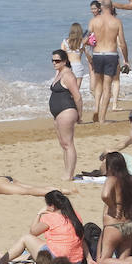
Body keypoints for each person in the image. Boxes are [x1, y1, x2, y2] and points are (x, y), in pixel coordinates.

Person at [0, 191, 86, 264]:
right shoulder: (75, 215)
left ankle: (1, 262)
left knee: (26, 239)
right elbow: (82, 239)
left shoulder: (51, 217)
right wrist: (89, 259)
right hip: (76, 262)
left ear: (52, 206)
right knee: (44, 246)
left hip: (56, 261)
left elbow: (33, 232)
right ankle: (12, 258)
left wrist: (39, 213)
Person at [88, 0, 128, 124]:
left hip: (97, 53)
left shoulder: (94, 21)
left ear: (100, 8)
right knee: (107, 87)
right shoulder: (116, 22)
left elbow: (87, 37)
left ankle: (96, 108)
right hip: (111, 54)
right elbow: (122, 43)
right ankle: (102, 118)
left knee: (98, 84)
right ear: (112, 7)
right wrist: (126, 60)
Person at [48, 48, 83, 180]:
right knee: (63, 144)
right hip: (58, 113)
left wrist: (80, 115)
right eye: (52, 60)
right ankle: (66, 171)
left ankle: (69, 174)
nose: (54, 63)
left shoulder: (68, 75)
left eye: (57, 61)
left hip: (67, 111)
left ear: (65, 61)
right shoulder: (59, 73)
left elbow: (77, 96)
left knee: (68, 143)